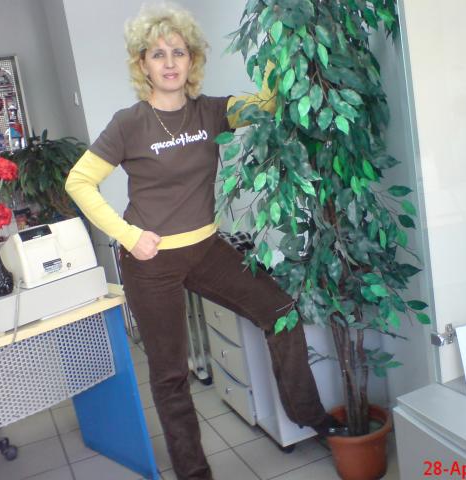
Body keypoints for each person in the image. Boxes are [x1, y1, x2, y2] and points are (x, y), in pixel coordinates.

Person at [65, 5, 340, 480]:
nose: (170, 62)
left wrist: (277, 40)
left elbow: (268, 103)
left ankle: (308, 416)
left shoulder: (212, 110)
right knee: (171, 375)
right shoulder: (129, 123)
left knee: (281, 312)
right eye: (158, 54)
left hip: (207, 249)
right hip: (150, 262)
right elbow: (79, 181)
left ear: (192, 60)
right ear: (142, 64)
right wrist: (129, 236)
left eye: (179, 52)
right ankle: (194, 474)